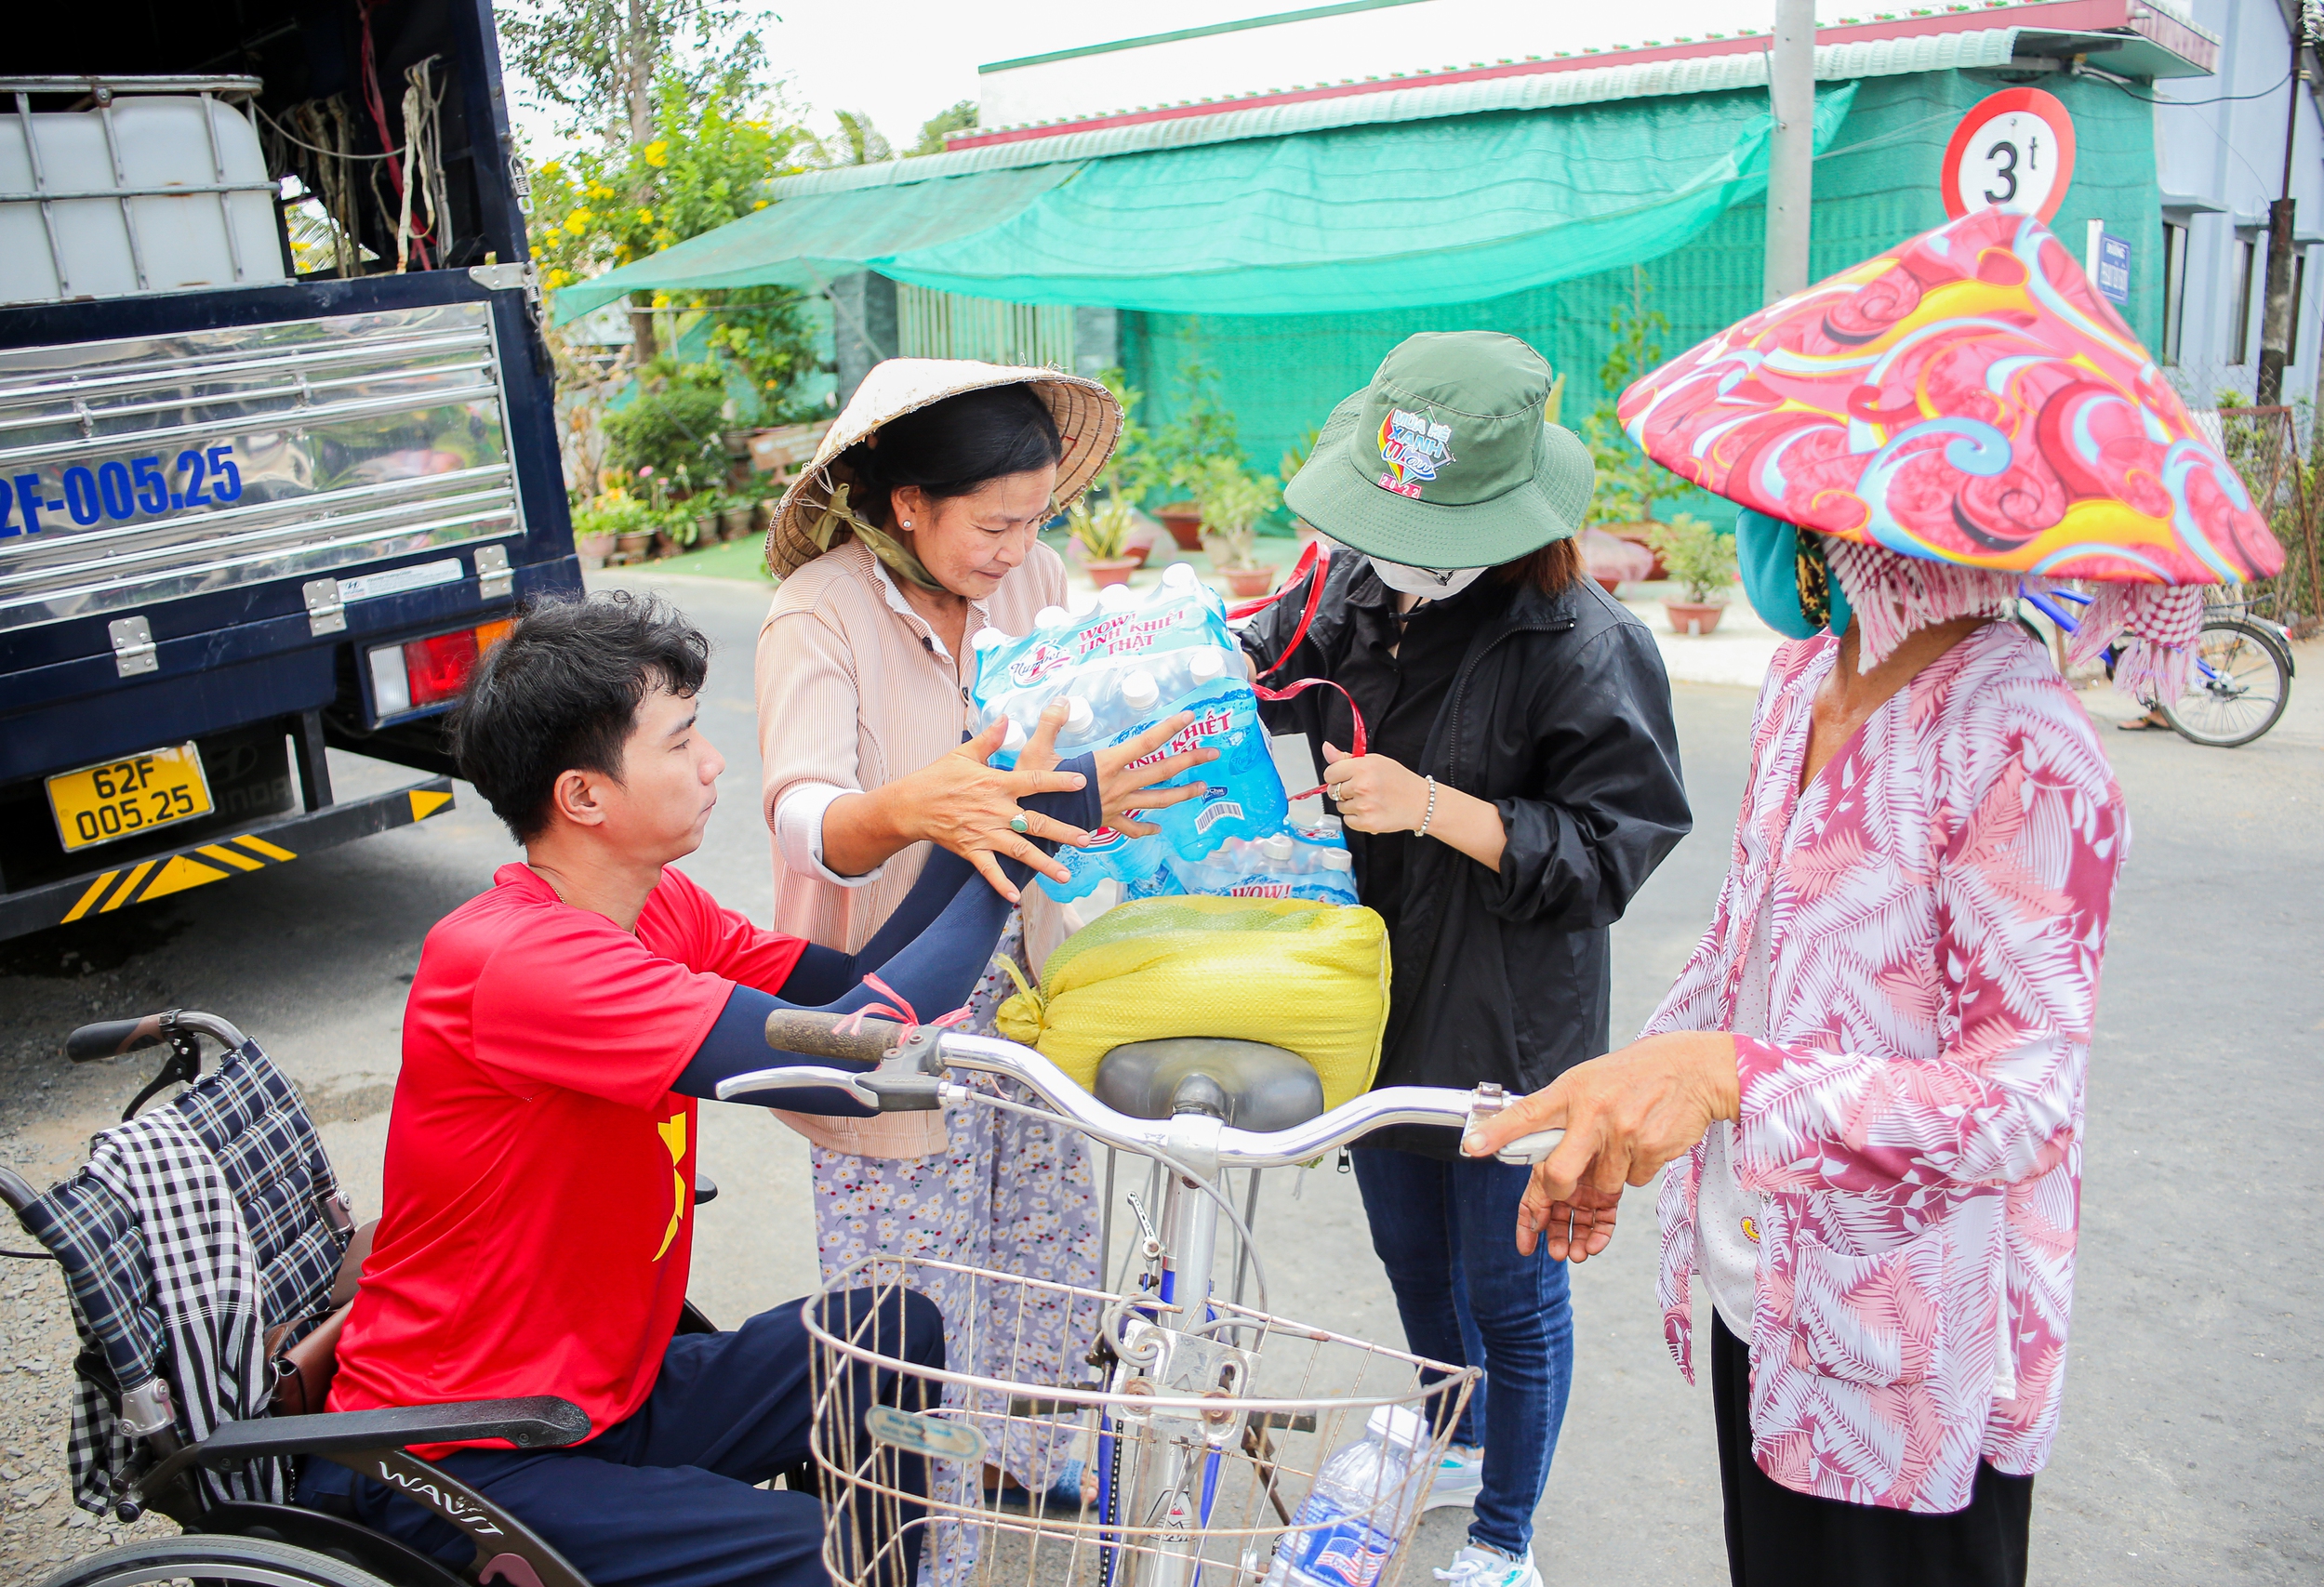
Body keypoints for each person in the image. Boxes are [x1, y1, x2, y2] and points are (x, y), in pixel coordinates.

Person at [1467, 207, 2285, 1587]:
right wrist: (1627, 1104)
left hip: (1917, 1348)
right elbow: (1747, 961)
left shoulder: (2026, 747)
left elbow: (2022, 1098)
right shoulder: (1804, 686)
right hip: (1766, 1283)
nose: (1756, 523)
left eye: (1781, 499)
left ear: (1861, 521)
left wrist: (1731, 1076)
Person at [296, 590, 1133, 1587]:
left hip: (604, 1392)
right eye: (682, 738)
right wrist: (1024, 827)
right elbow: (851, 1060)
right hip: (470, 1446)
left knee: (893, 1334)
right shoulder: (516, 960)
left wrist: (994, 814)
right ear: (584, 797)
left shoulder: (658, 908)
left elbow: (853, 985)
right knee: (818, 1557)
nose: (713, 760)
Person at [1241, 331, 1693, 1587]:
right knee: (1411, 1250)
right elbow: (1267, 674)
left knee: (1513, 1283)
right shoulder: (1352, 591)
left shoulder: (1587, 644)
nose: (1393, 556)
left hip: (1508, 1018)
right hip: (1372, 993)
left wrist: (1436, 805)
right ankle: (1460, 1432)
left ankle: (1505, 1536)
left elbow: (1612, 851)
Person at [752, 360, 1215, 1548]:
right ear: (908, 503)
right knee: (913, 1295)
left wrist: (1112, 795)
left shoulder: (1039, 582)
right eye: (994, 524)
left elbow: (1067, 772)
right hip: (895, 1004)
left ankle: (1016, 1459)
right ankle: (924, 1540)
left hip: (1029, 993)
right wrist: (929, 805)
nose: (1019, 551)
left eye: (1037, 521)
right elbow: (805, 815)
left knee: (1040, 1252)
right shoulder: (820, 610)